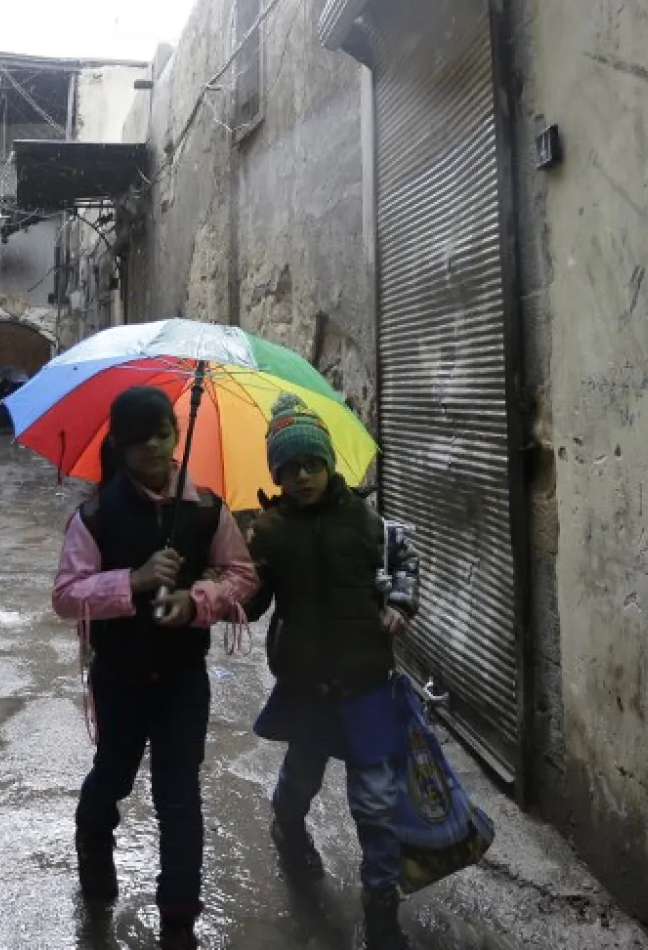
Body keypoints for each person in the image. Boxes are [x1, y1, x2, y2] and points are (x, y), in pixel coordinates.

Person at [52, 385, 258, 950]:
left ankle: (179, 922)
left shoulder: (207, 508)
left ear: (176, 434)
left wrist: (197, 602)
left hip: (183, 680)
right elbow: (67, 595)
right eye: (141, 441)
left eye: (164, 435)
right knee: (113, 775)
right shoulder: (94, 516)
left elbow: (241, 575)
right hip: (119, 675)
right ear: (118, 445)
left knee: (179, 794)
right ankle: (94, 839)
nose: (156, 450)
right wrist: (133, 581)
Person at [245, 394, 417, 950]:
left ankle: (381, 909)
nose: (301, 477)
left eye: (311, 464)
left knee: (375, 802)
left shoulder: (370, 523)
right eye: (289, 468)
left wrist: (399, 603)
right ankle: (288, 829)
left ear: (328, 463)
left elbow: (404, 564)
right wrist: (232, 570)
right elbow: (251, 605)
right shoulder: (269, 532)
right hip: (305, 684)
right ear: (277, 473)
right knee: (302, 776)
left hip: (366, 680)